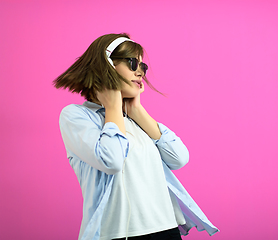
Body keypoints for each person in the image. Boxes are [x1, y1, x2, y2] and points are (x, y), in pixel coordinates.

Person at [53, 33, 219, 240]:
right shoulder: (76, 116)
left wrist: (137, 110)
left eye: (143, 66)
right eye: (133, 63)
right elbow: (111, 160)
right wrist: (113, 105)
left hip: (166, 229)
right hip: (118, 234)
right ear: (107, 65)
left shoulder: (133, 119)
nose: (140, 71)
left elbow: (179, 158)